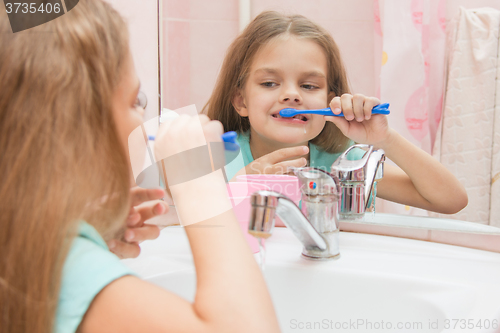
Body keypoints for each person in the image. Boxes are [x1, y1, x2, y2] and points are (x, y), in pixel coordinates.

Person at [0, 1, 280, 333]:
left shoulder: (23, 248)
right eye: (136, 100)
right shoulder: (59, 266)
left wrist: (85, 233)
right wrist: (197, 183)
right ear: (78, 125)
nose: (144, 115)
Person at [204, 11, 468, 214]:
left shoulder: (344, 165)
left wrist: (383, 138)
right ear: (241, 102)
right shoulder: (217, 154)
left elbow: (451, 200)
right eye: (269, 83)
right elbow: (181, 216)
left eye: (309, 85)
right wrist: (238, 185)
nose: (292, 95)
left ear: (330, 103)